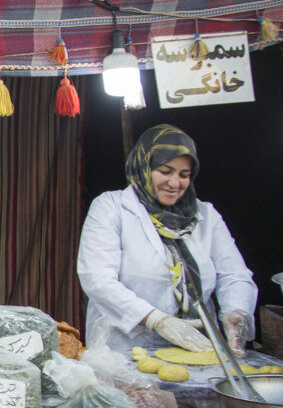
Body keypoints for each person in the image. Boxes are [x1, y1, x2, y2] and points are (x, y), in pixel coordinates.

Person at [77, 123, 257, 359]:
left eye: (184, 175)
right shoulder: (111, 208)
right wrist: (157, 320)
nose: (175, 183)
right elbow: (97, 279)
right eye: (165, 171)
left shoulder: (205, 215)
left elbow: (234, 275)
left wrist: (236, 313)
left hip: (199, 346)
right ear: (143, 167)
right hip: (126, 351)